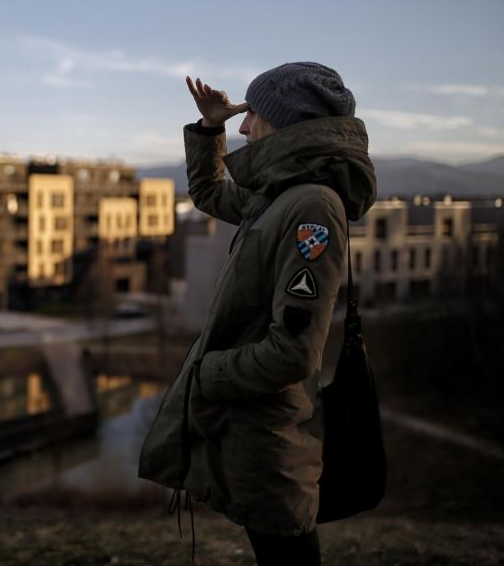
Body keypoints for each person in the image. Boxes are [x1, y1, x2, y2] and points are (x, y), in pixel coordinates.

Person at [138, 62, 377, 565]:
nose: (243, 127)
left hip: (270, 438)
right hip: (251, 431)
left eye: (254, 115)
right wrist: (210, 129)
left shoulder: (311, 205)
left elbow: (292, 353)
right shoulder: (279, 193)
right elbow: (207, 192)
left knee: (289, 555)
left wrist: (207, 374)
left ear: (287, 122)